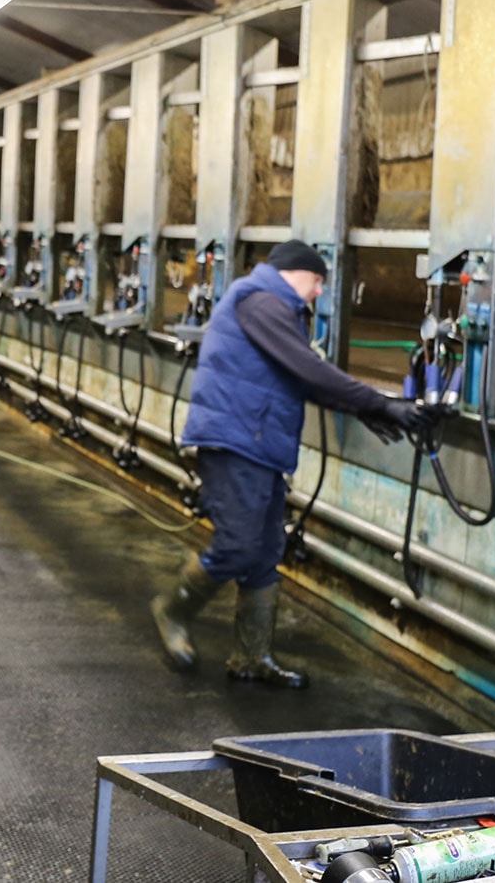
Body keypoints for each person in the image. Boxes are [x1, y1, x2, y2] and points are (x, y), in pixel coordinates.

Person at [152, 240, 430, 687]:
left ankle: (251, 657)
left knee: (264, 551)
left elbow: (304, 379)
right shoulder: (261, 301)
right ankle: (173, 609)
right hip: (234, 441)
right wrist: (379, 404)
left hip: (260, 443)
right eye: (317, 280)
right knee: (239, 545)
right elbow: (308, 368)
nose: (320, 292)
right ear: (294, 272)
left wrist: (371, 410)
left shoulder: (275, 308)